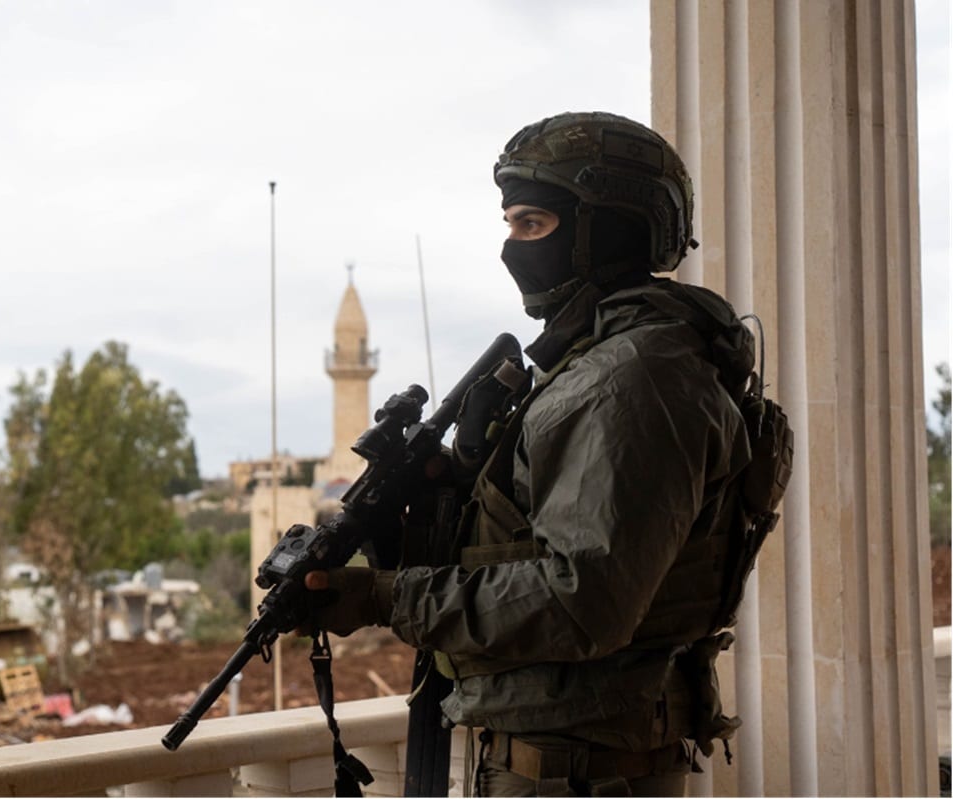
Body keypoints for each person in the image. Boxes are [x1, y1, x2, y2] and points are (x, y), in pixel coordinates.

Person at [305, 111, 758, 797]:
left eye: (531, 224)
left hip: (585, 771)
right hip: (566, 755)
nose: (510, 247)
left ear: (601, 230)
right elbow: (531, 544)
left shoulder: (634, 377)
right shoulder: (602, 362)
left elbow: (585, 599)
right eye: (509, 223)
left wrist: (386, 597)